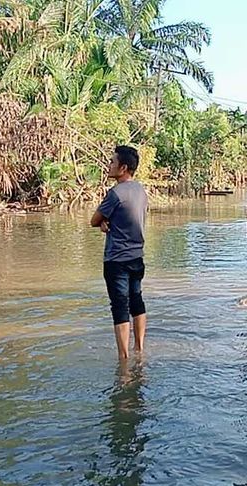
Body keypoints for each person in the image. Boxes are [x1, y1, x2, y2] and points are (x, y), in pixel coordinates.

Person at [91, 145, 148, 359]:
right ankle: (139, 349)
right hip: (137, 256)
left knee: (120, 306)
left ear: (123, 168)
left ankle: (123, 360)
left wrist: (104, 222)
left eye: (112, 162)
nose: (109, 165)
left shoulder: (115, 194)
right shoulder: (141, 191)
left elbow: (93, 220)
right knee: (137, 300)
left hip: (117, 258)